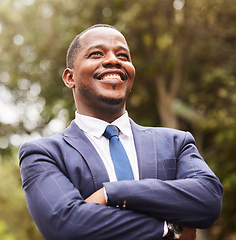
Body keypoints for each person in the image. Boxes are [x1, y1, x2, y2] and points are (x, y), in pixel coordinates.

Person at [19, 24, 223, 240]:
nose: (113, 60)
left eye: (122, 55)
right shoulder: (43, 154)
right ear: (70, 78)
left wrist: (112, 194)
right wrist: (167, 229)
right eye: (97, 54)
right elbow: (67, 225)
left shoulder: (175, 142)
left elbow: (209, 199)